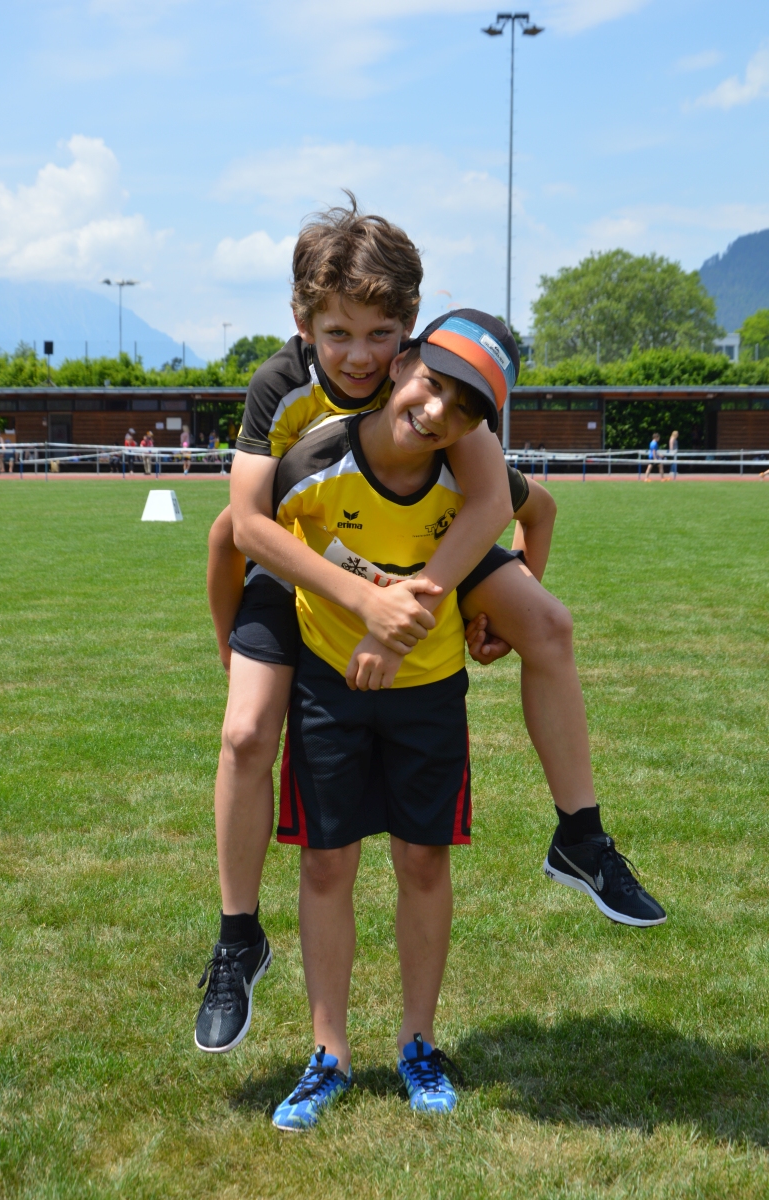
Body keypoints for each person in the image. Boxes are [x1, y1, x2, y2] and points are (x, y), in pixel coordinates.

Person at [195, 202, 665, 1059]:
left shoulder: (437, 383)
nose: (360, 356)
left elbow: (497, 502)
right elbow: (242, 528)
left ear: (409, 330)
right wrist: (267, 627)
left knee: (548, 626)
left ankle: (580, 834)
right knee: (245, 731)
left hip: (427, 548)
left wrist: (451, 605)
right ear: (302, 321)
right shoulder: (281, 384)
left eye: (381, 334)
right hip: (300, 554)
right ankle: (237, 936)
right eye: (338, 334)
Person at [269, 315, 516, 1129]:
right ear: (402, 363)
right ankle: (328, 1054)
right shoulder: (311, 464)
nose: (439, 411)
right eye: (432, 384)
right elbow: (242, 534)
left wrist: (497, 611)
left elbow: (535, 510)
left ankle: (419, 1043)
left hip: (430, 692)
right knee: (325, 865)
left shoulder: (469, 479)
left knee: (422, 860)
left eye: (465, 409)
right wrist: (231, 644)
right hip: (328, 686)